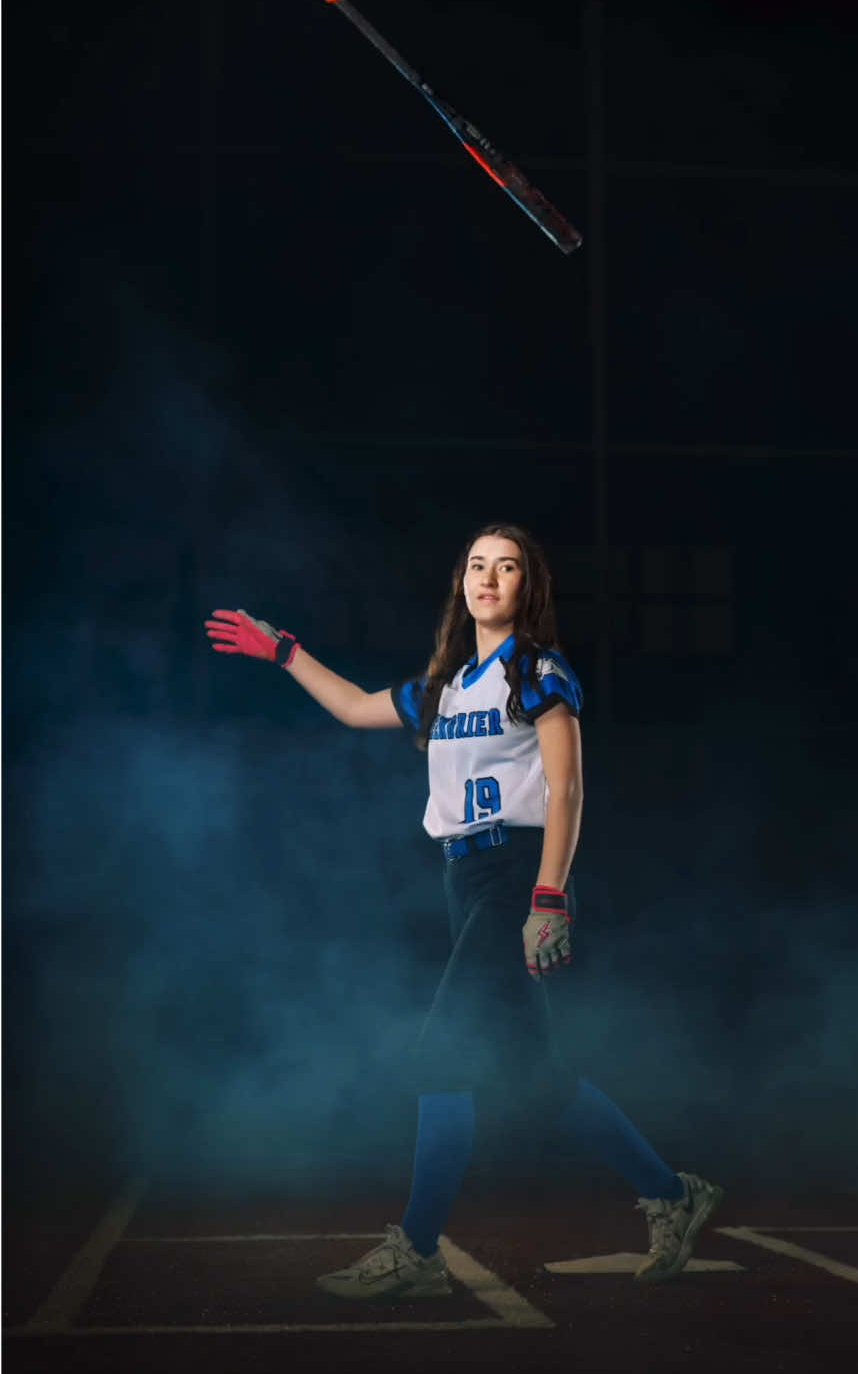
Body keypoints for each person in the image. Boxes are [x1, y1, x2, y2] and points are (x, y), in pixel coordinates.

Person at [204, 521, 722, 1301]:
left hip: (518, 872)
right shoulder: (444, 686)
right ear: (461, 584)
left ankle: (416, 1248)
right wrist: (283, 652)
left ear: (527, 587)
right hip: (463, 877)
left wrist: (549, 894)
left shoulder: (539, 671)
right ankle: (675, 1195)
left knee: (441, 1052)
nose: (488, 577)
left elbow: (566, 790)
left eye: (506, 567)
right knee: (539, 1080)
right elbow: (351, 708)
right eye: (477, 565)